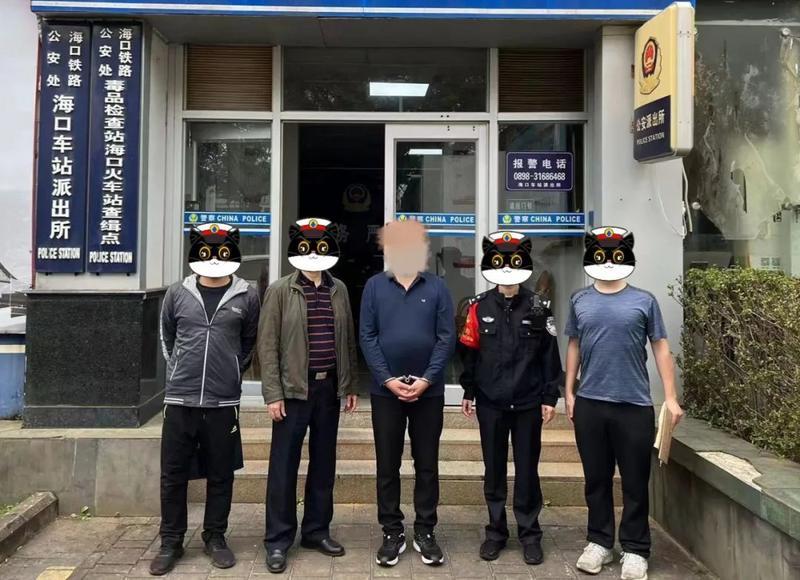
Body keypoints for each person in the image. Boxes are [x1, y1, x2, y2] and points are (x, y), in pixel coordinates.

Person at [565, 226, 684, 580]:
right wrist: (568, 392)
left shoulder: (644, 301)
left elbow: (661, 348)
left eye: (615, 255)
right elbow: (573, 345)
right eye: (600, 255)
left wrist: (671, 398)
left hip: (634, 405)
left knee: (635, 481)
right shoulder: (579, 300)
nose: (607, 262)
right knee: (596, 479)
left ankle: (635, 549)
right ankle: (599, 542)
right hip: (590, 403)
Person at [153, 223, 260, 576]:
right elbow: (168, 338)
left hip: (222, 402)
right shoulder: (177, 293)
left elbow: (249, 342)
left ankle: (215, 536)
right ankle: (171, 541)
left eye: (222, 250)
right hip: (180, 400)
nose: (214, 257)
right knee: (173, 474)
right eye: (207, 250)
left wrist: (231, 370)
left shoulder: (247, 296)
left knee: (221, 473)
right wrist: (180, 369)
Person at [258, 218, 359, 574]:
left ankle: (316, 531)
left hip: (327, 389)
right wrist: (273, 393)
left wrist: (349, 384)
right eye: (307, 246)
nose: (314, 253)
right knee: (283, 467)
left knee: (323, 464)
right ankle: (278, 539)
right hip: (292, 392)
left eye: (321, 246)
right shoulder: (280, 291)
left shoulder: (339, 289)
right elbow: (267, 345)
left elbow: (347, 340)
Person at [458, 231, 563, 565]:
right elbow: (470, 354)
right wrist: (469, 390)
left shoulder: (539, 306)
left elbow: (550, 355)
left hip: (528, 403)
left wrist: (550, 396)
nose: (506, 269)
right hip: (491, 403)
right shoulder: (478, 306)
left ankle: (530, 535)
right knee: (494, 470)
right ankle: (496, 533)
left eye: (514, 261)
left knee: (528, 471)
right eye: (499, 261)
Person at [359, 219, 456, 568]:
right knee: (388, 464)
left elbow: (446, 337)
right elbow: (367, 336)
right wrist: (387, 379)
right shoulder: (374, 287)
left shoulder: (438, 287)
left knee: (426, 464)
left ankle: (426, 530)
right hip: (386, 393)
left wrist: (427, 379)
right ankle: (392, 531)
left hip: (428, 394)